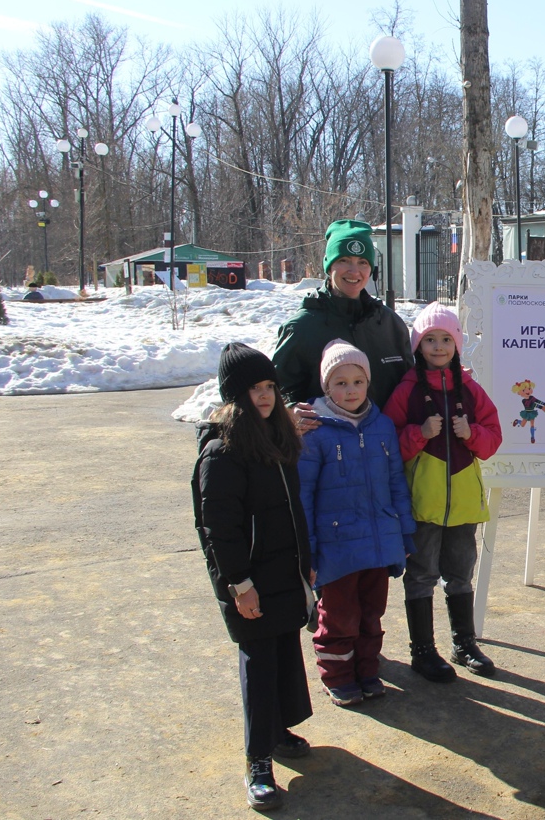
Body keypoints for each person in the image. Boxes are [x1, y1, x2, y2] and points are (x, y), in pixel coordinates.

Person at [192, 343, 314, 812]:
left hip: (284, 570)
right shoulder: (223, 453)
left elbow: (292, 510)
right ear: (233, 396)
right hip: (249, 581)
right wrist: (239, 585)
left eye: (269, 387)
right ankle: (257, 761)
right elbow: (218, 529)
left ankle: (277, 729)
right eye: (252, 389)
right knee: (259, 661)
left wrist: (305, 561)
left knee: (283, 650)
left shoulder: (278, 439)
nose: (264, 397)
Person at [384, 302, 503, 681]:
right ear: (418, 345)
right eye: (430, 339)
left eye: (446, 339)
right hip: (423, 504)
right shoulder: (406, 389)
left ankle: (464, 643)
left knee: (460, 574)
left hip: (465, 504)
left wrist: (472, 433)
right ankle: (422, 650)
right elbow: (388, 445)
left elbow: (492, 439)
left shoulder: (470, 388)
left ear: (457, 344)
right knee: (421, 575)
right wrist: (420, 434)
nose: (438, 346)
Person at [297, 340, 418, 707]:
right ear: (325, 387)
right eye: (340, 382)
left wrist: (405, 533)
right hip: (337, 548)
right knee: (339, 617)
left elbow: (396, 482)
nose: (350, 390)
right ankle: (338, 676)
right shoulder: (315, 432)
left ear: (368, 383)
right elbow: (304, 494)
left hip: (379, 542)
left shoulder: (381, 426)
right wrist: (309, 552)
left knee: (371, 613)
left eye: (357, 381)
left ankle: (367, 670)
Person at [273, 219, 413, 426]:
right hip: (326, 453)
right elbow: (277, 391)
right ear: (329, 266)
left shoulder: (390, 324)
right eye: (344, 260)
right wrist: (290, 412)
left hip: (387, 450)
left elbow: (412, 384)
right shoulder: (302, 328)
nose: (354, 271)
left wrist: (448, 371)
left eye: (362, 262)